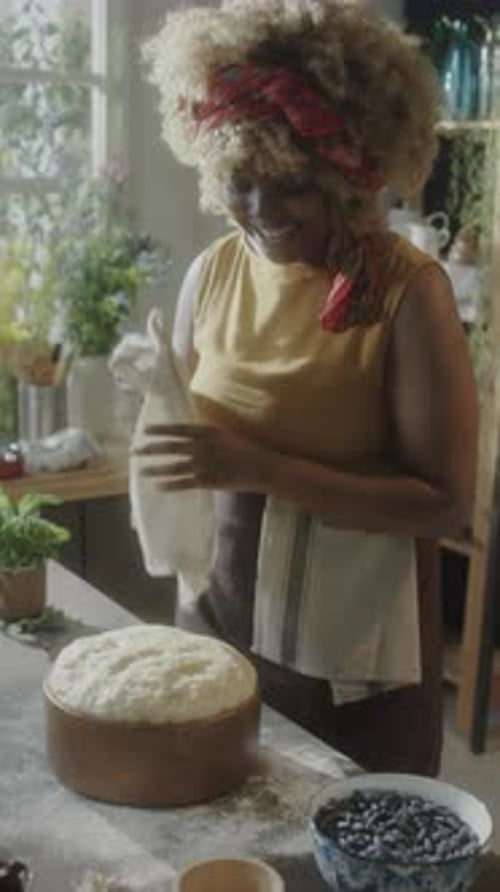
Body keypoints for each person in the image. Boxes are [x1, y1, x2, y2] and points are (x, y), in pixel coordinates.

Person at [139, 0, 478, 776]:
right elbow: (197, 449)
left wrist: (256, 470)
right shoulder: (214, 273)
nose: (258, 212)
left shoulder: (406, 291)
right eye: (238, 180)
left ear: (345, 170)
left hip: (354, 664)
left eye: (287, 183)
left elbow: (445, 502)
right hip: (222, 622)